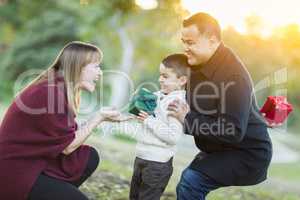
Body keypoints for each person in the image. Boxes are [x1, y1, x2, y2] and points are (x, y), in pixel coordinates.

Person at [167, 13, 273, 200]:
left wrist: (187, 118)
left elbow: (232, 130)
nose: (185, 48)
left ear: (212, 40)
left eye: (190, 43)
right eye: (183, 42)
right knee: (188, 182)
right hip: (220, 149)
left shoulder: (234, 77)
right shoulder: (197, 63)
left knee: (191, 181)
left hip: (247, 154)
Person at [0, 41, 123, 200]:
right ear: (79, 66)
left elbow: (66, 137)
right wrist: (98, 117)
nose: (100, 73)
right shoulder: (50, 92)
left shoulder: (57, 88)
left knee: (88, 157)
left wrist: (101, 117)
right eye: (96, 67)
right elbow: (67, 147)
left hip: (31, 164)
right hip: (15, 173)